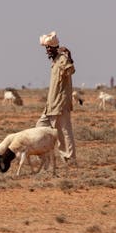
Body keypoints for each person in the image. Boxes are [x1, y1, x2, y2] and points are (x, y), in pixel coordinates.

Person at [35, 31, 76, 165]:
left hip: (60, 104)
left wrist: (69, 57)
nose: (47, 50)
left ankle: (70, 159)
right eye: (46, 48)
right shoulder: (54, 62)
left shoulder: (62, 59)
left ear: (55, 48)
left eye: (49, 47)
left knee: (64, 133)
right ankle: (44, 157)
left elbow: (71, 70)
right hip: (51, 106)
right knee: (39, 128)